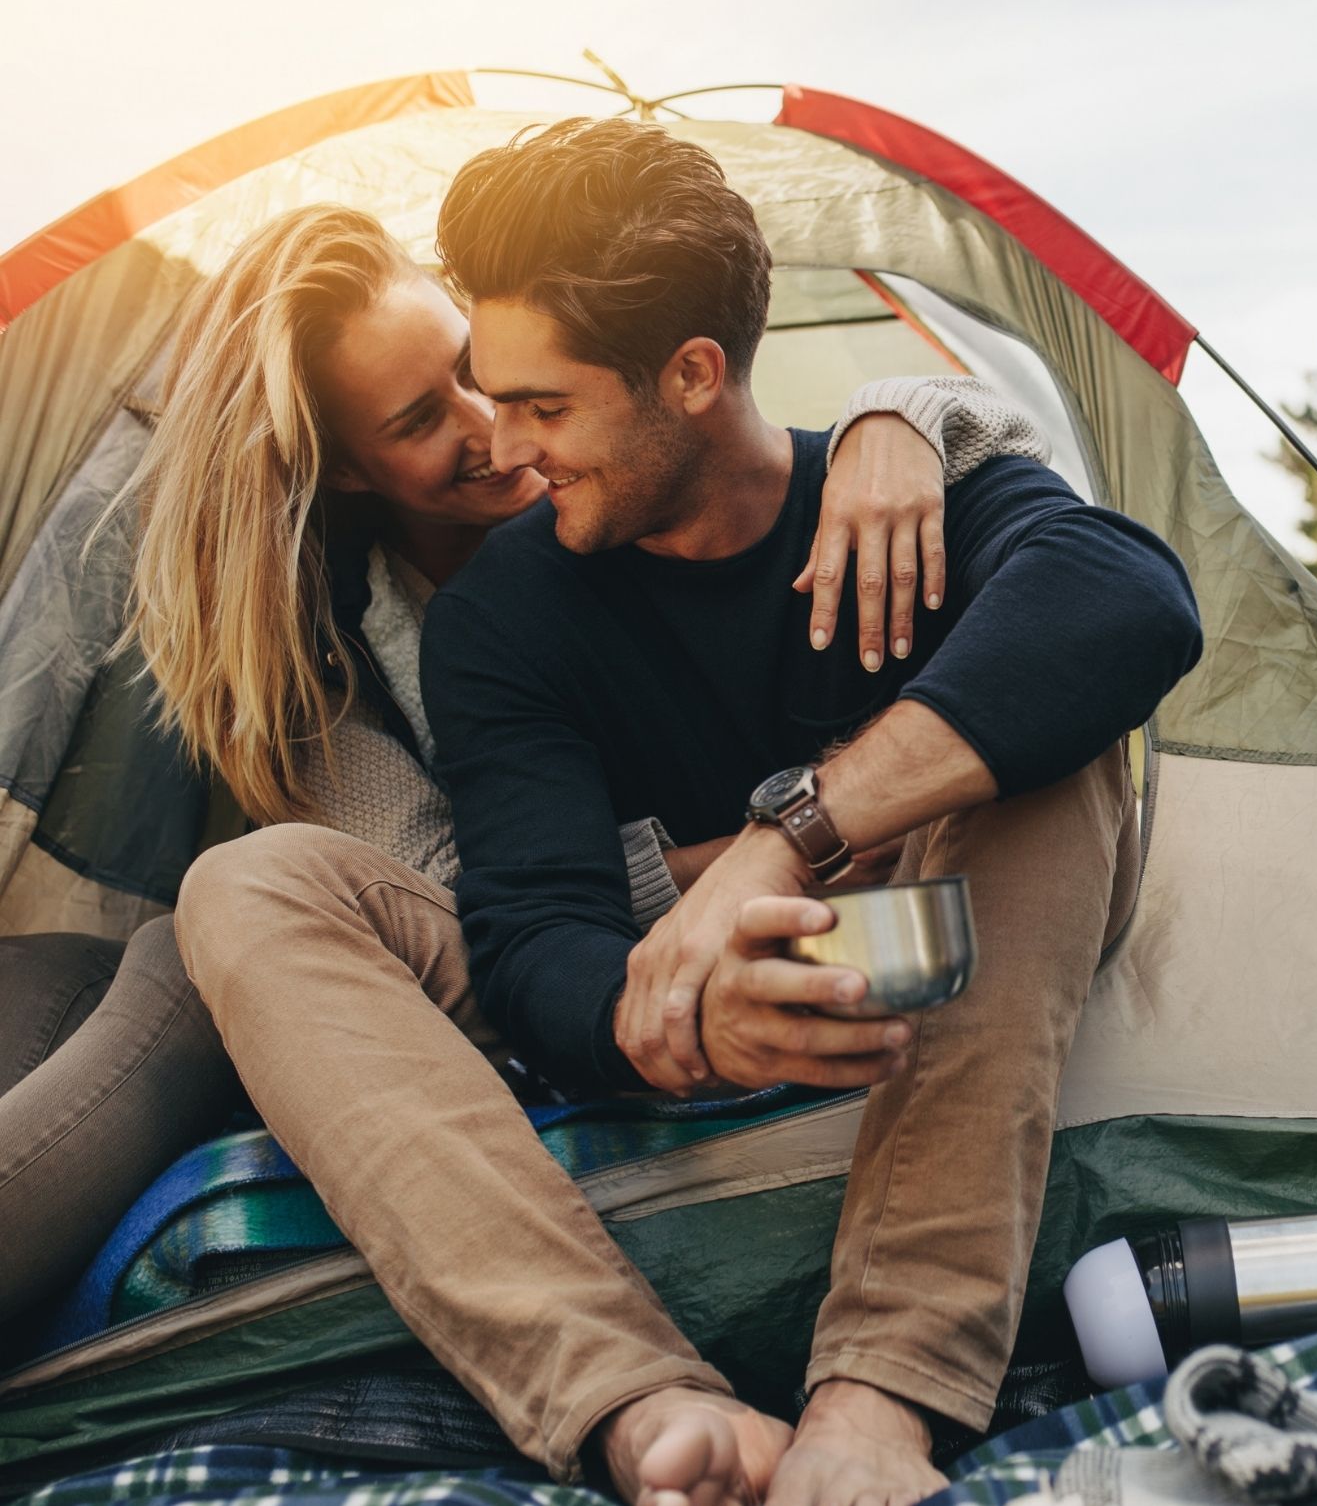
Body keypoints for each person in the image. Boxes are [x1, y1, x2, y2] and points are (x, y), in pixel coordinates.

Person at [185, 116, 1202, 1506]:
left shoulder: (896, 495)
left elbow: (1131, 602)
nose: (512, 448)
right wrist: (664, 1016)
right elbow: (537, 931)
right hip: (701, 995)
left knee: (1049, 738)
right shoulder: (503, 614)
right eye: (477, 403)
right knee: (246, 886)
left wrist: (792, 833)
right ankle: (643, 1399)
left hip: (927, 943)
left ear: (691, 372)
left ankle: (881, 1395)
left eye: (543, 405)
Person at [0, 202, 1039, 1358]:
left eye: (472, 370)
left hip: (688, 927)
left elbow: (824, 469)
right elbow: (476, 899)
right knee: (67, 967)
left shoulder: (631, 479)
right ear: (348, 468)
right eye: (418, 419)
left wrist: (897, 411)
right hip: (520, 953)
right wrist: (795, 835)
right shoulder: (330, 662)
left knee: (169, 961)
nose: (494, 432)